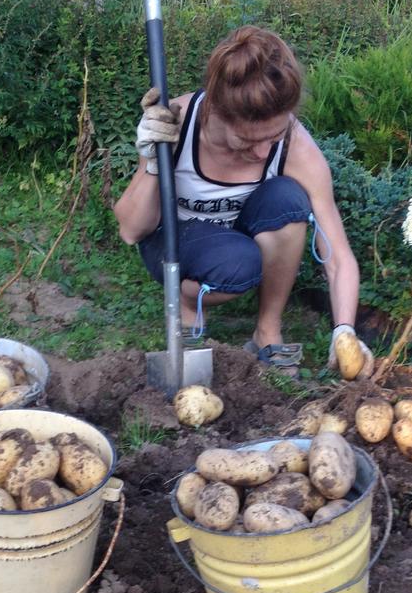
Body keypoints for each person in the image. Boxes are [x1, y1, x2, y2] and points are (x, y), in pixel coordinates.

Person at [113, 25, 370, 374]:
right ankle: (188, 303)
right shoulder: (175, 122)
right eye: (247, 141)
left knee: (289, 198)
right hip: (174, 242)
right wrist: (154, 164)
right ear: (215, 113)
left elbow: (338, 254)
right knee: (237, 263)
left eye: (274, 135)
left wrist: (345, 331)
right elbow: (131, 229)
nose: (263, 151)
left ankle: (267, 331)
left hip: (238, 238)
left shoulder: (297, 146)